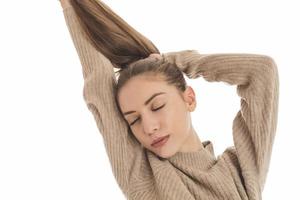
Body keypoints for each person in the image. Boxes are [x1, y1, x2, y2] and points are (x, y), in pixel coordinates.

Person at [59, 0, 279, 199]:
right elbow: (98, 82)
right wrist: (69, 6)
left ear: (189, 99)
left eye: (157, 106)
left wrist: (173, 60)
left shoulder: (239, 172)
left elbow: (262, 72)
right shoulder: (142, 176)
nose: (148, 127)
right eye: (133, 120)